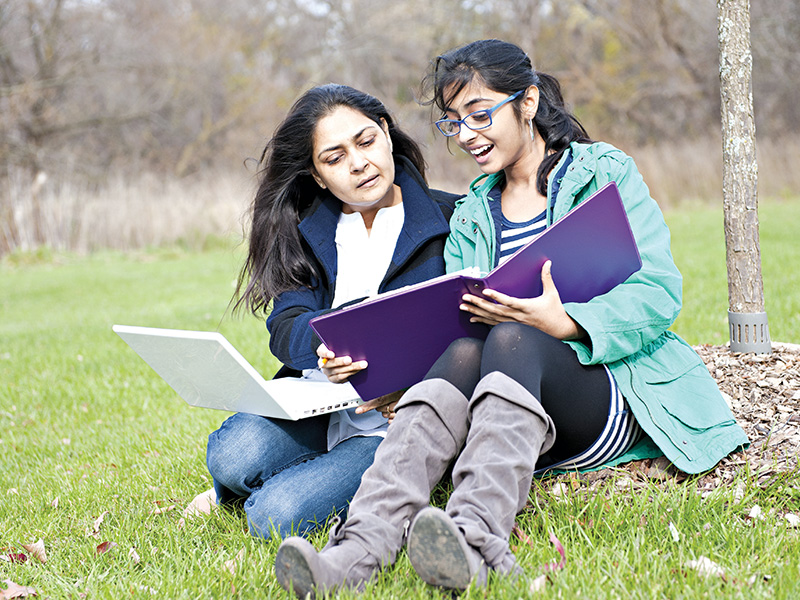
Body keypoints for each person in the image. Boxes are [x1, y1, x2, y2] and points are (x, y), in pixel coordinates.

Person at [274, 40, 749, 596]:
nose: (469, 134)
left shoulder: (602, 172)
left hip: (606, 389)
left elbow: (658, 290)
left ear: (527, 102)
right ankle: (354, 556)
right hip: (516, 404)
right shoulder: (472, 212)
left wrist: (565, 321)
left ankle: (476, 542)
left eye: (481, 115)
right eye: (455, 123)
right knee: (463, 348)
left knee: (515, 336)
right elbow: (456, 332)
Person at [202, 84, 458, 541]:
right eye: (334, 157)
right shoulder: (308, 229)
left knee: (275, 515)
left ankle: (282, 487)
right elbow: (285, 324)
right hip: (319, 404)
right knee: (232, 454)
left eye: (365, 141)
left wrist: (418, 386)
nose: (359, 163)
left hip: (391, 422)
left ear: (385, 133)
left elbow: (470, 326)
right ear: (317, 175)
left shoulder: (450, 218)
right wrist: (328, 340)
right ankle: (273, 475)